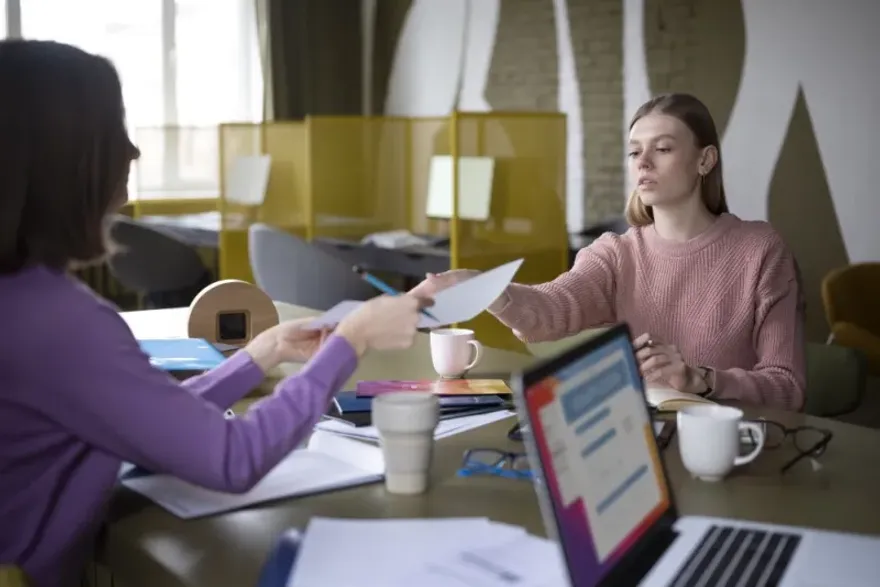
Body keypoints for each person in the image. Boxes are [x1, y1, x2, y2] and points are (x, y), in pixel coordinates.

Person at [0, 40, 431, 587]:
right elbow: (232, 458)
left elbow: (149, 422)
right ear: (65, 159)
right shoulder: (64, 325)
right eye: (114, 132)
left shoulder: (21, 299)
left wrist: (259, 355)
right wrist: (352, 339)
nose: (131, 152)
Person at [412, 93, 805, 412]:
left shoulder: (761, 250)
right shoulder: (617, 253)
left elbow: (788, 387)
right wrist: (478, 286)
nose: (643, 163)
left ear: (705, 160)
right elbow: (549, 310)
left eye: (662, 149)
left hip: (735, 448)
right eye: (635, 152)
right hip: (642, 442)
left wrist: (703, 379)